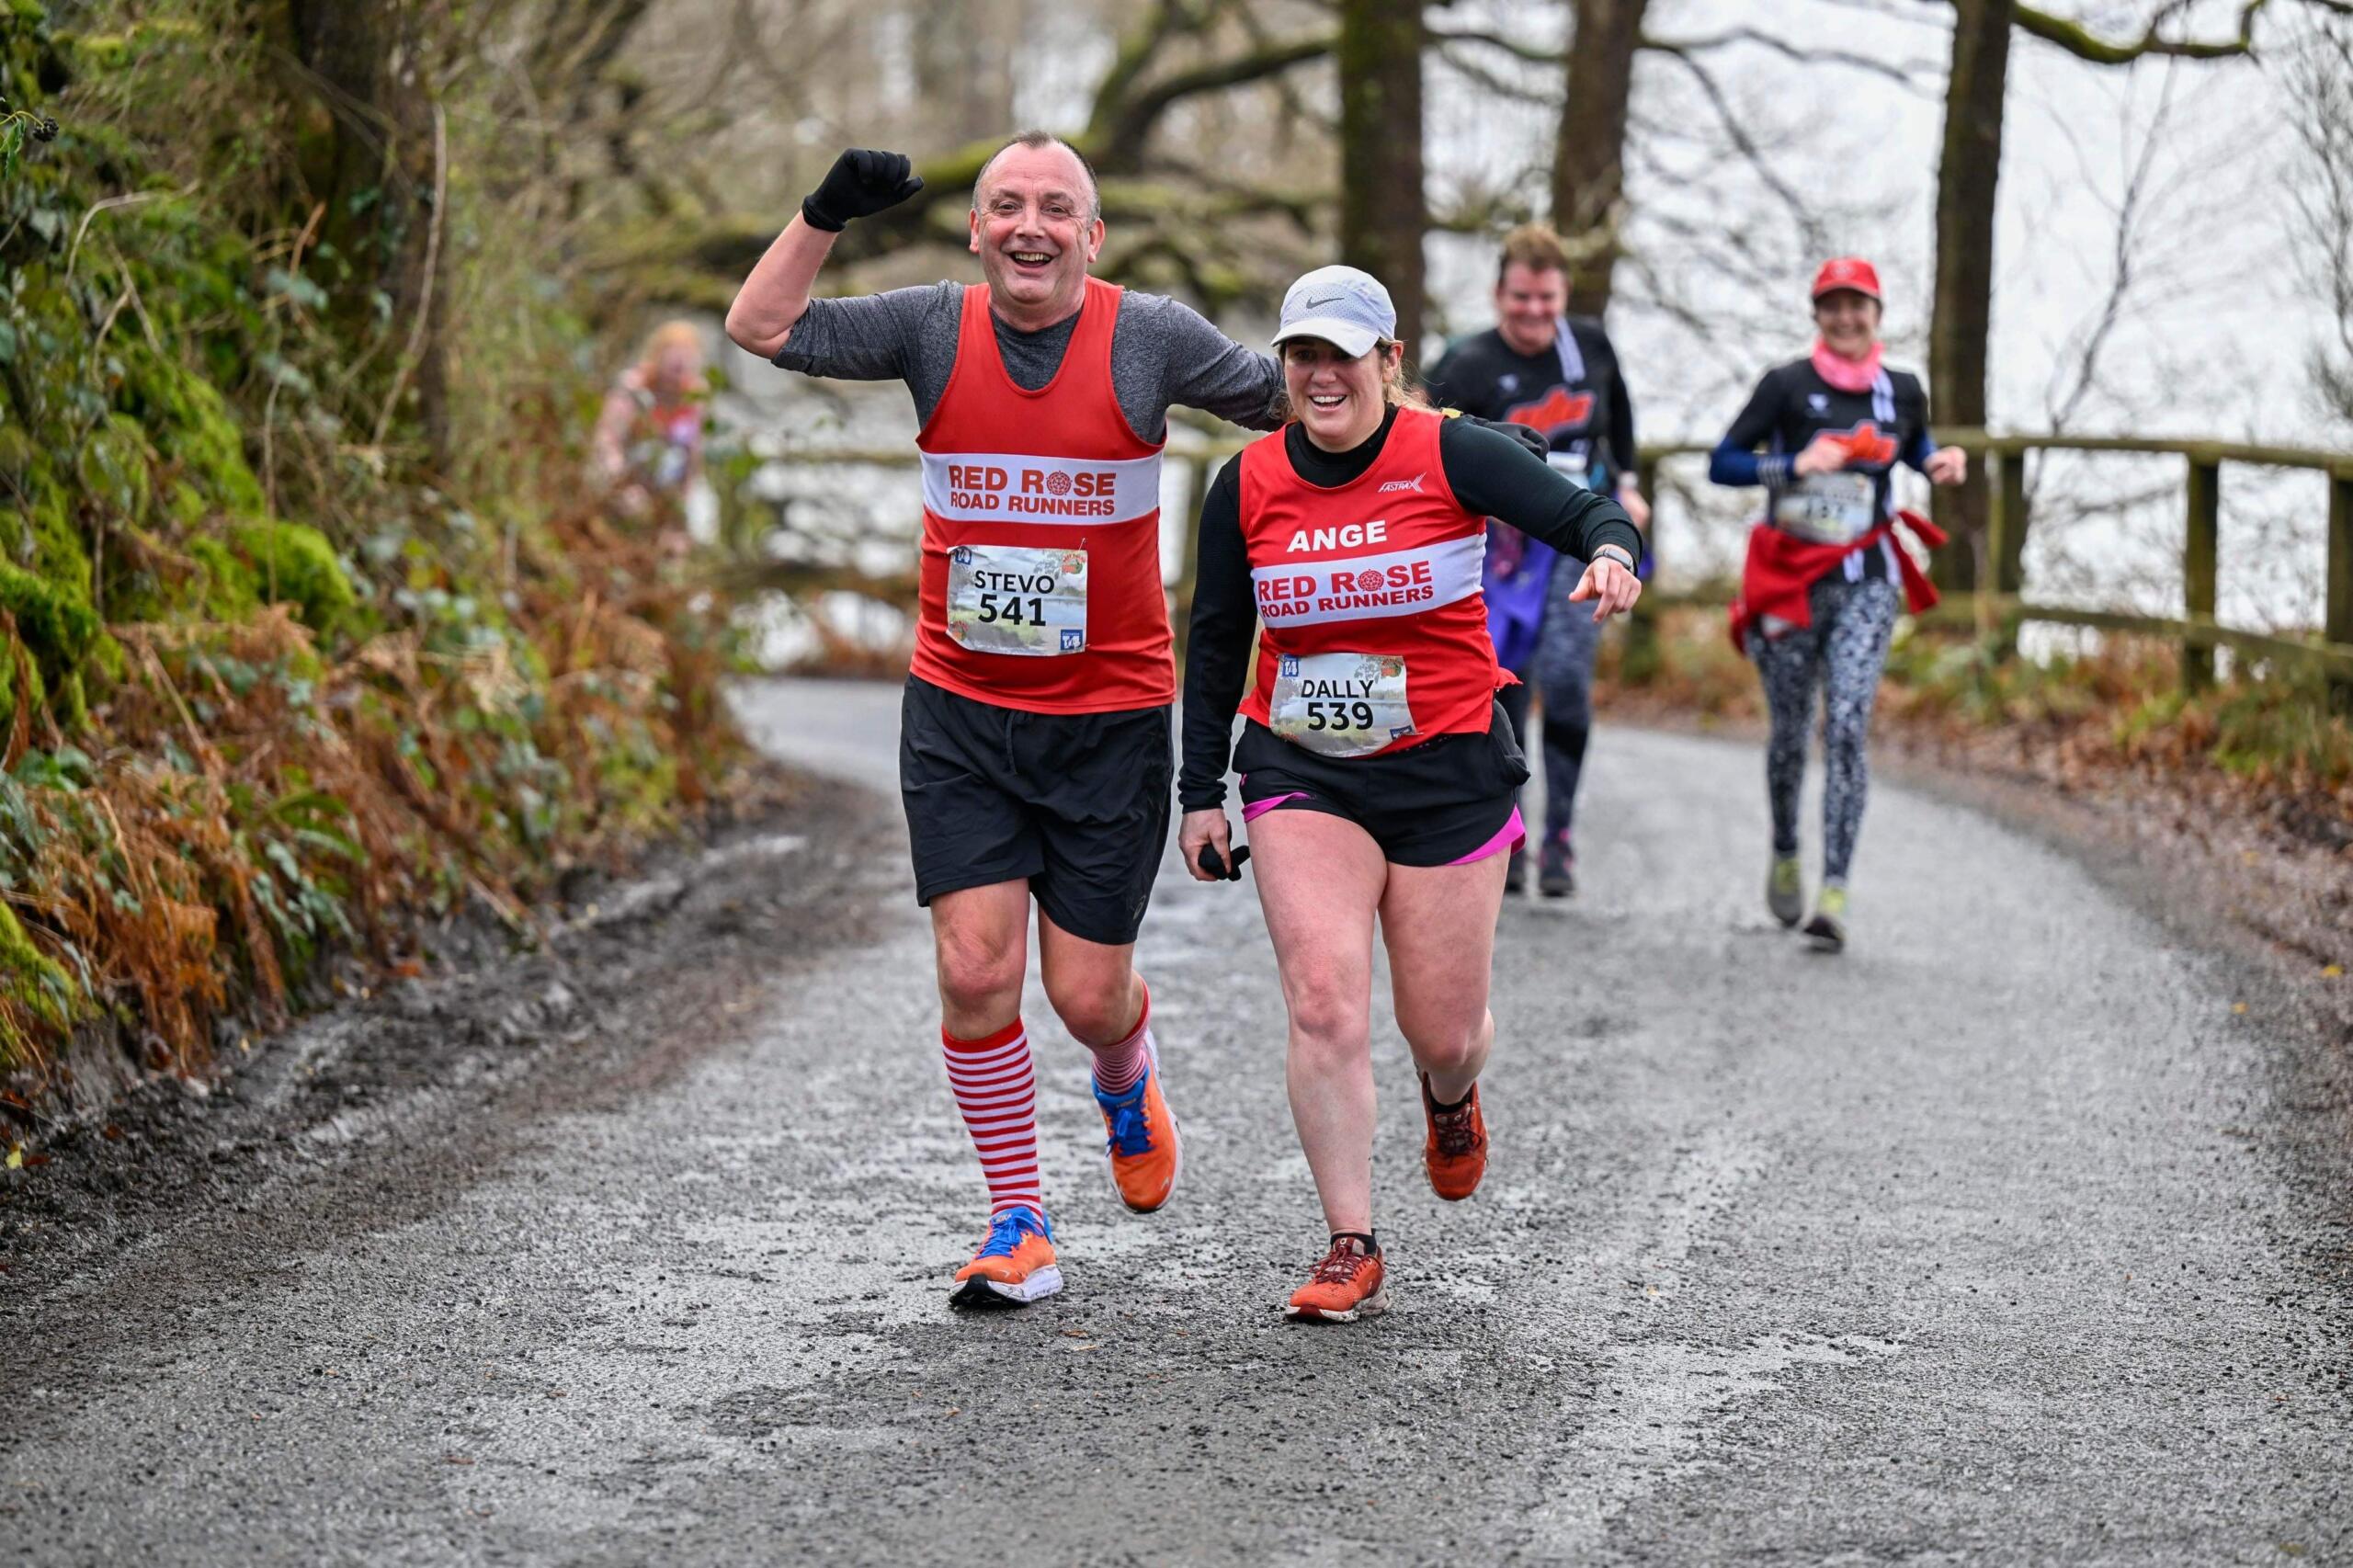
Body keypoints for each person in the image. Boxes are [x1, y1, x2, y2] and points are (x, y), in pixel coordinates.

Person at [724, 136, 1286, 1311]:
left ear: (1094, 236)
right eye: (1005, 206)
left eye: (1056, 207)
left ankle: (1125, 1075)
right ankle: (1017, 1218)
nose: (1030, 224)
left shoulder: (1151, 337)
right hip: (962, 713)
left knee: (1085, 996)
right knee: (975, 972)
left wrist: (1460, 454)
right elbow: (762, 329)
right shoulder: (934, 326)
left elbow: (1314, 395)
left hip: (1109, 722)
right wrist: (824, 210)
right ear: (977, 232)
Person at [1176, 267, 1642, 1322]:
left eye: (1342, 354)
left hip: (1445, 772)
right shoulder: (1244, 485)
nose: (1320, 375)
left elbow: (1587, 509)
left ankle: (1449, 1092)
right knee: (1324, 1000)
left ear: (1388, 362)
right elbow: (1212, 646)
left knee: (1442, 1029)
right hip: (1301, 769)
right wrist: (1200, 787)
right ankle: (1350, 1240)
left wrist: (1613, 553)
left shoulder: (1451, 450)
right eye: (1302, 355)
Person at [1711, 257, 1966, 952]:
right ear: (1817, 315)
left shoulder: (1902, 389)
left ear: (1878, 314)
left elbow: (1914, 445)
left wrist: (1938, 460)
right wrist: (1793, 465)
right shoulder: (1787, 386)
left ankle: (1835, 891)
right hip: (1790, 581)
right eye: (1833, 307)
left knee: (1848, 722)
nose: (1847, 318)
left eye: (1859, 306)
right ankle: (1789, 847)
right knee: (1792, 731)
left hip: (1868, 581)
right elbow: (1722, 461)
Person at [1424, 224, 1649, 899]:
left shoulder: (1592, 347)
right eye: (1521, 298)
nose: (1533, 312)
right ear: (1499, 295)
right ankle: (1512, 835)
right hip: (1502, 549)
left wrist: (1630, 484)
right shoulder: (1467, 364)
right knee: (1508, 682)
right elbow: (1427, 444)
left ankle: (1561, 836)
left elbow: (1622, 422)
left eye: (1546, 299)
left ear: (1563, 295)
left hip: (1579, 535)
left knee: (1567, 676)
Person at [591, 320, 710, 530]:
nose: (680, 361)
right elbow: (607, 439)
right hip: (628, 474)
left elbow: (694, 454)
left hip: (668, 482)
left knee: (701, 515)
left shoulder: (695, 395)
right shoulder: (634, 388)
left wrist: (682, 501)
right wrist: (620, 482)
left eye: (687, 353)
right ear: (657, 354)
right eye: (674, 352)